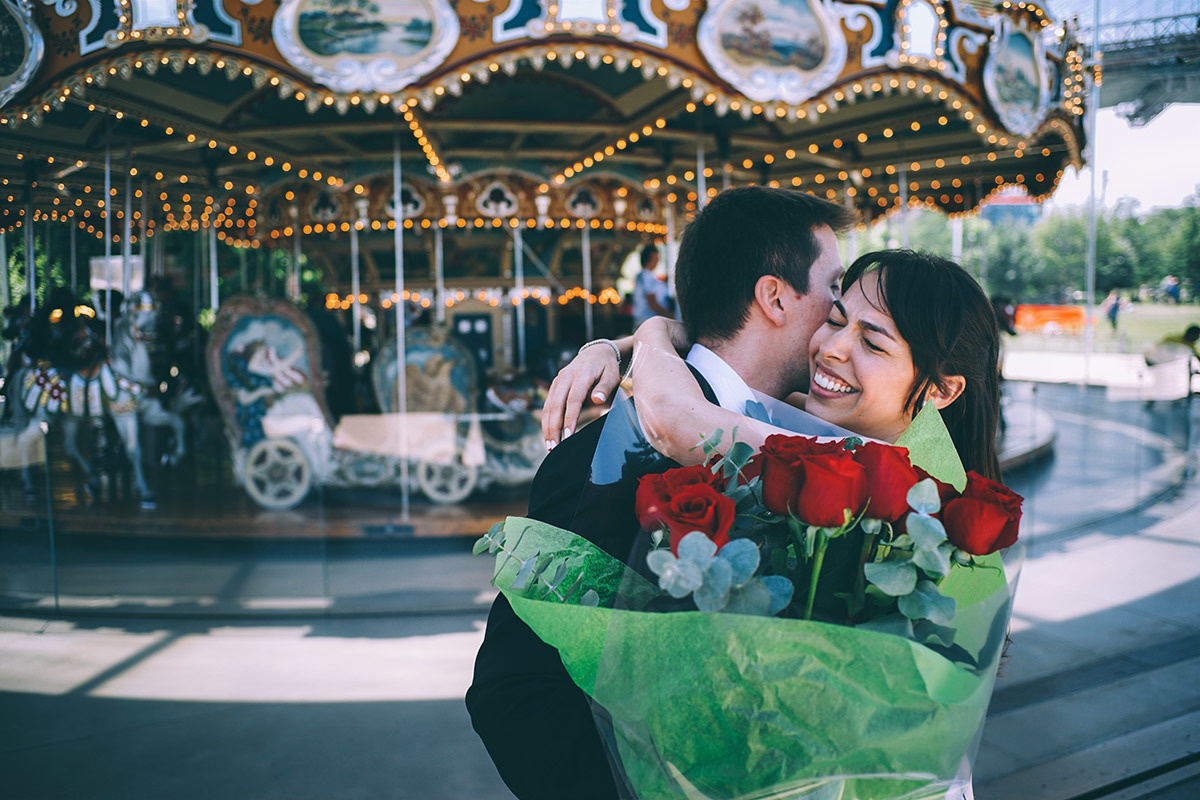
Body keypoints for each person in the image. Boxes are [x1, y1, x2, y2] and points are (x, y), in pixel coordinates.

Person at [467, 187, 857, 800]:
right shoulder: (607, 454)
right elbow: (513, 688)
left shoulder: (819, 431)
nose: (840, 317)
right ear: (775, 297)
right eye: (834, 292)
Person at [545, 249, 1002, 481]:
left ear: (942, 391)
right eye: (837, 318)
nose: (832, 348)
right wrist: (610, 348)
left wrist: (647, 334)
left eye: (874, 344)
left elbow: (671, 416)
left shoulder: (875, 473)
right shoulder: (810, 415)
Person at [630, 245, 672, 329]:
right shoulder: (646, 277)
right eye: (656, 258)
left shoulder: (644, 276)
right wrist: (670, 314)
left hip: (645, 319)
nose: (658, 261)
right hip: (647, 320)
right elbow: (652, 302)